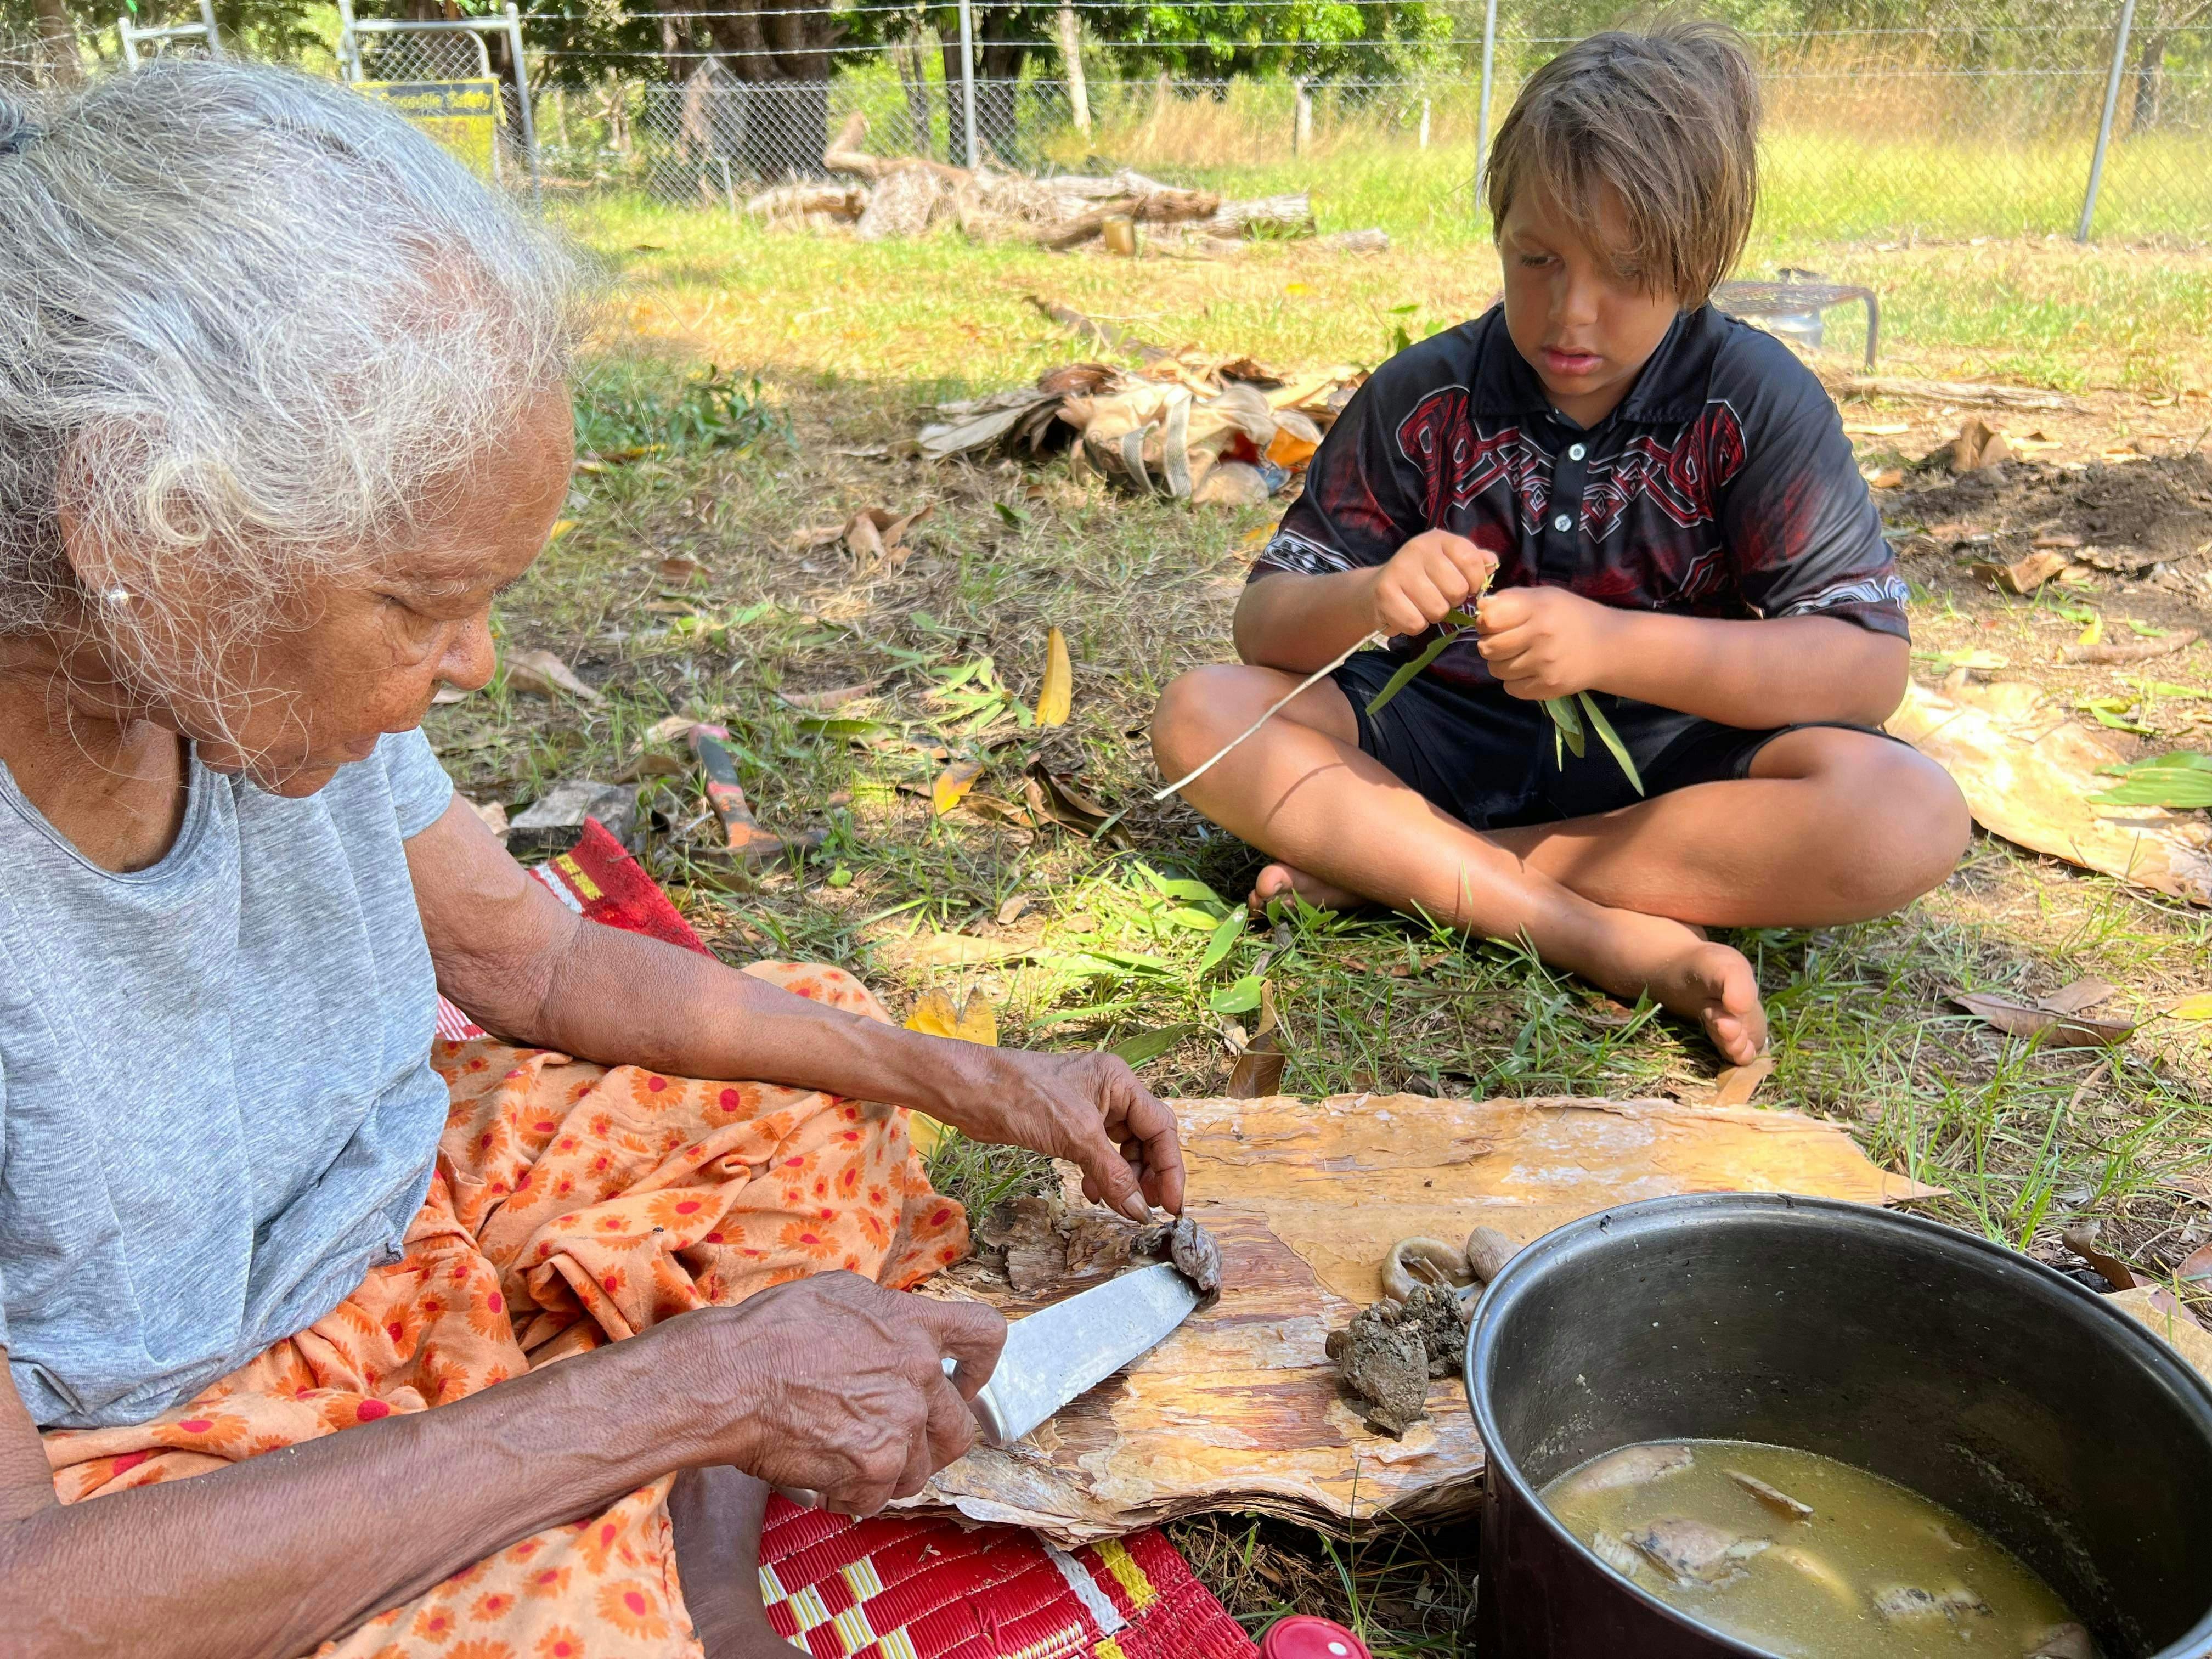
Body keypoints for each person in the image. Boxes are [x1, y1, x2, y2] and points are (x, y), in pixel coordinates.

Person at [0, 63, 1183, 1659]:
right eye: (421, 607)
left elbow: (536, 963)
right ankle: (648, 1508)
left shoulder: (233, 657)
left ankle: (695, 1521)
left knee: (815, 1067)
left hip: (389, 1215)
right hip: (158, 1461)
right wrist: (690, 1381)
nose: (474, 662)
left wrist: (963, 1078)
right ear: (146, 539)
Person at [1150, 20, 1970, 1066]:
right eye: (1536, 259)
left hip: (1675, 777)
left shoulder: (1755, 402)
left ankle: (1416, 872)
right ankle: (1590, 935)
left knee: (1909, 813)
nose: (1570, 314)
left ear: (1700, 263)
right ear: (1499, 229)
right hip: (1435, 744)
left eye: (1624, 274)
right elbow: (1263, 622)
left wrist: (1617, 647)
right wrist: (1371, 596)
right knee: (1201, 713)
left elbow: (1865, 666)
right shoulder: (1424, 398)